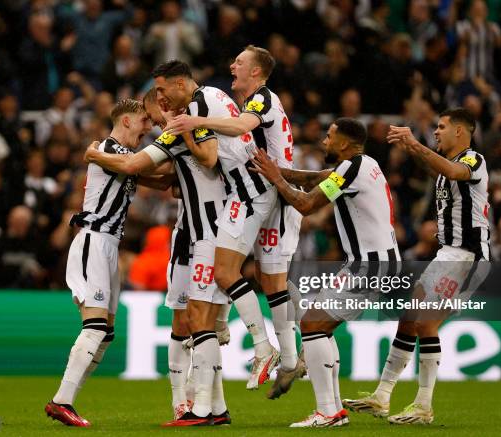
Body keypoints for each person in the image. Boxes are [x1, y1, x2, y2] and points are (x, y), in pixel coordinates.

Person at [83, 76, 232, 426]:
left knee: (199, 321)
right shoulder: (185, 131)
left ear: (164, 106)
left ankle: (203, 403)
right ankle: (191, 404)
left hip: (206, 233)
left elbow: (140, 166)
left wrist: (95, 155)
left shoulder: (183, 128)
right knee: (186, 319)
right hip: (188, 233)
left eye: (152, 116)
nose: (151, 125)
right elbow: (164, 178)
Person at [166, 45, 305, 397]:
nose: (232, 65)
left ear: (256, 72)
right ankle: (285, 358)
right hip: (267, 192)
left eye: (240, 62)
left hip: (267, 194)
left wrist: (196, 122)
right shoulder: (245, 103)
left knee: (248, 275)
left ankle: (276, 353)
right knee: (263, 278)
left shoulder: (261, 100)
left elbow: (241, 128)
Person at [343, 108, 490, 425]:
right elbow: (441, 169)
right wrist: (410, 147)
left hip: (468, 256)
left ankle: (423, 405)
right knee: (409, 318)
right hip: (448, 253)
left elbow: (455, 173)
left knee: (426, 323)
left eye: (441, 127)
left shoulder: (473, 160)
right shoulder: (445, 168)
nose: (436, 132)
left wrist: (414, 142)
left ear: (461, 132)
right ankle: (382, 396)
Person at [251, 117, 400, 427]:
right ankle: (332, 410)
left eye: (329, 137)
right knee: (319, 326)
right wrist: (275, 171)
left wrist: (278, 181)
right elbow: (313, 178)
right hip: (374, 262)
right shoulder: (364, 164)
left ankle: (328, 412)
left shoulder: (349, 168)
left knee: (312, 325)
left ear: (344, 144)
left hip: (368, 264)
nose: (324, 141)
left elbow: (306, 204)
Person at [45, 99, 155, 427]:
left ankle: (66, 400)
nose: (147, 127)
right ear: (124, 121)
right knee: (94, 327)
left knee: (105, 334)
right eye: (143, 121)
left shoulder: (110, 155)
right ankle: (61, 401)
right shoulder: (110, 149)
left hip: (109, 246)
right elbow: (142, 165)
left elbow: (155, 172)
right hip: (93, 239)